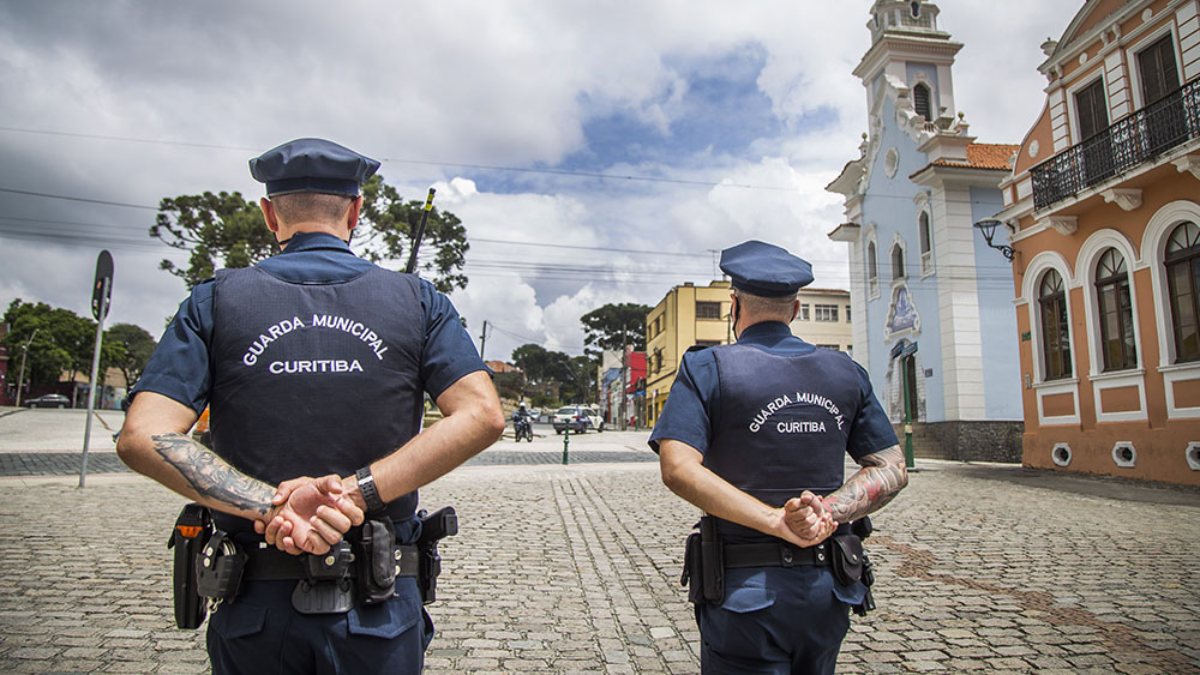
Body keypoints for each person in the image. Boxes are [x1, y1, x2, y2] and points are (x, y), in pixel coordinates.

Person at [117, 138, 505, 674]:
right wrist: (354, 492)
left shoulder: (214, 301)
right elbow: (481, 415)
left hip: (255, 607)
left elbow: (143, 436)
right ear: (356, 210)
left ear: (269, 212)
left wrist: (271, 506)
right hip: (380, 609)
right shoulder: (418, 300)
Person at [651, 240, 908, 674]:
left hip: (744, 595)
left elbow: (677, 468)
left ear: (735, 306)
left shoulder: (706, 367)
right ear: (795, 309)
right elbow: (891, 468)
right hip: (827, 591)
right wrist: (823, 512)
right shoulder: (847, 371)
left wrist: (775, 521)